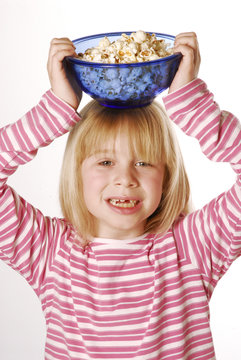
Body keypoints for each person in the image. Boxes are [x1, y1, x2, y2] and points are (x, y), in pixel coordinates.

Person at [0, 32, 240, 360]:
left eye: (143, 162)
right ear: (77, 172)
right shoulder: (50, 253)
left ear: (166, 177)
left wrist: (190, 102)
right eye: (105, 162)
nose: (125, 179)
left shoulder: (192, 247)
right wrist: (55, 109)